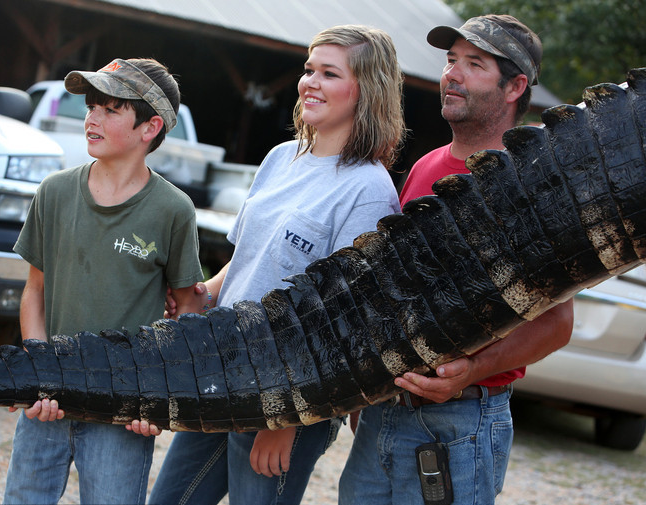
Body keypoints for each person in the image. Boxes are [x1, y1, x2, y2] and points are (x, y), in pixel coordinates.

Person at [134, 24, 407, 505]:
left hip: (289, 393)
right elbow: (245, 262)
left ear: (368, 90)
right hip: (221, 370)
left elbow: (344, 321)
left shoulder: (368, 191)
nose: (310, 82)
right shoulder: (282, 158)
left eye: (329, 73)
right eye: (308, 69)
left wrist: (288, 420)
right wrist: (202, 294)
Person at [338, 15, 574, 505]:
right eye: (450, 61)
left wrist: (471, 370)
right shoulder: (426, 166)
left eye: (474, 64)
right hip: (385, 412)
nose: (452, 74)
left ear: (515, 87)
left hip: (463, 419)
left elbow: (557, 323)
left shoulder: (533, 177)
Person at [2, 57, 203, 504]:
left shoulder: (174, 210)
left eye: (111, 109)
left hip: (123, 410)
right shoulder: (53, 192)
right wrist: (38, 369)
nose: (91, 117)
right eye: (92, 105)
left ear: (149, 128)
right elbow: (35, 291)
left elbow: (188, 310)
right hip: (47, 400)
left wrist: (158, 393)